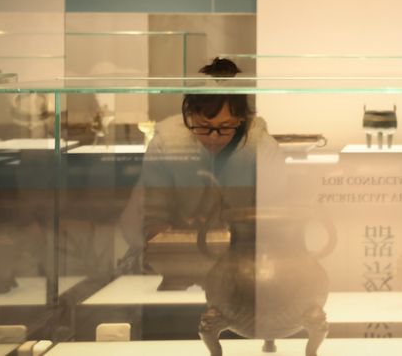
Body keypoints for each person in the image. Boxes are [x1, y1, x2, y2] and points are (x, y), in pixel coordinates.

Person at [119, 58, 282, 270]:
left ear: (241, 120)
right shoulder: (165, 145)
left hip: (243, 261)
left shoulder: (263, 149)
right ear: (190, 116)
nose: (213, 136)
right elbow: (152, 222)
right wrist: (186, 249)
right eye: (204, 126)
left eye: (225, 127)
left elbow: (272, 224)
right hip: (174, 259)